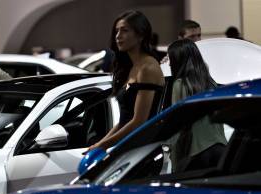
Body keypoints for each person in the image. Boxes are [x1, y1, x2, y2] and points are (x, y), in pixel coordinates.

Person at [85, 10, 164, 152]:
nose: (118, 36)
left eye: (124, 31)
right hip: (130, 147)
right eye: (117, 31)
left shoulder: (148, 68)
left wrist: (103, 145)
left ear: (140, 35)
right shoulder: (131, 67)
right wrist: (99, 145)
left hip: (143, 151)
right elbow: (123, 121)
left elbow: (139, 121)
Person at [168, 38, 226, 171]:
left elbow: (179, 125)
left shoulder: (180, 85)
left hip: (195, 154)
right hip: (220, 149)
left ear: (179, 61)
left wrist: (175, 162)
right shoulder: (211, 84)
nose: (170, 64)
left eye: (172, 59)